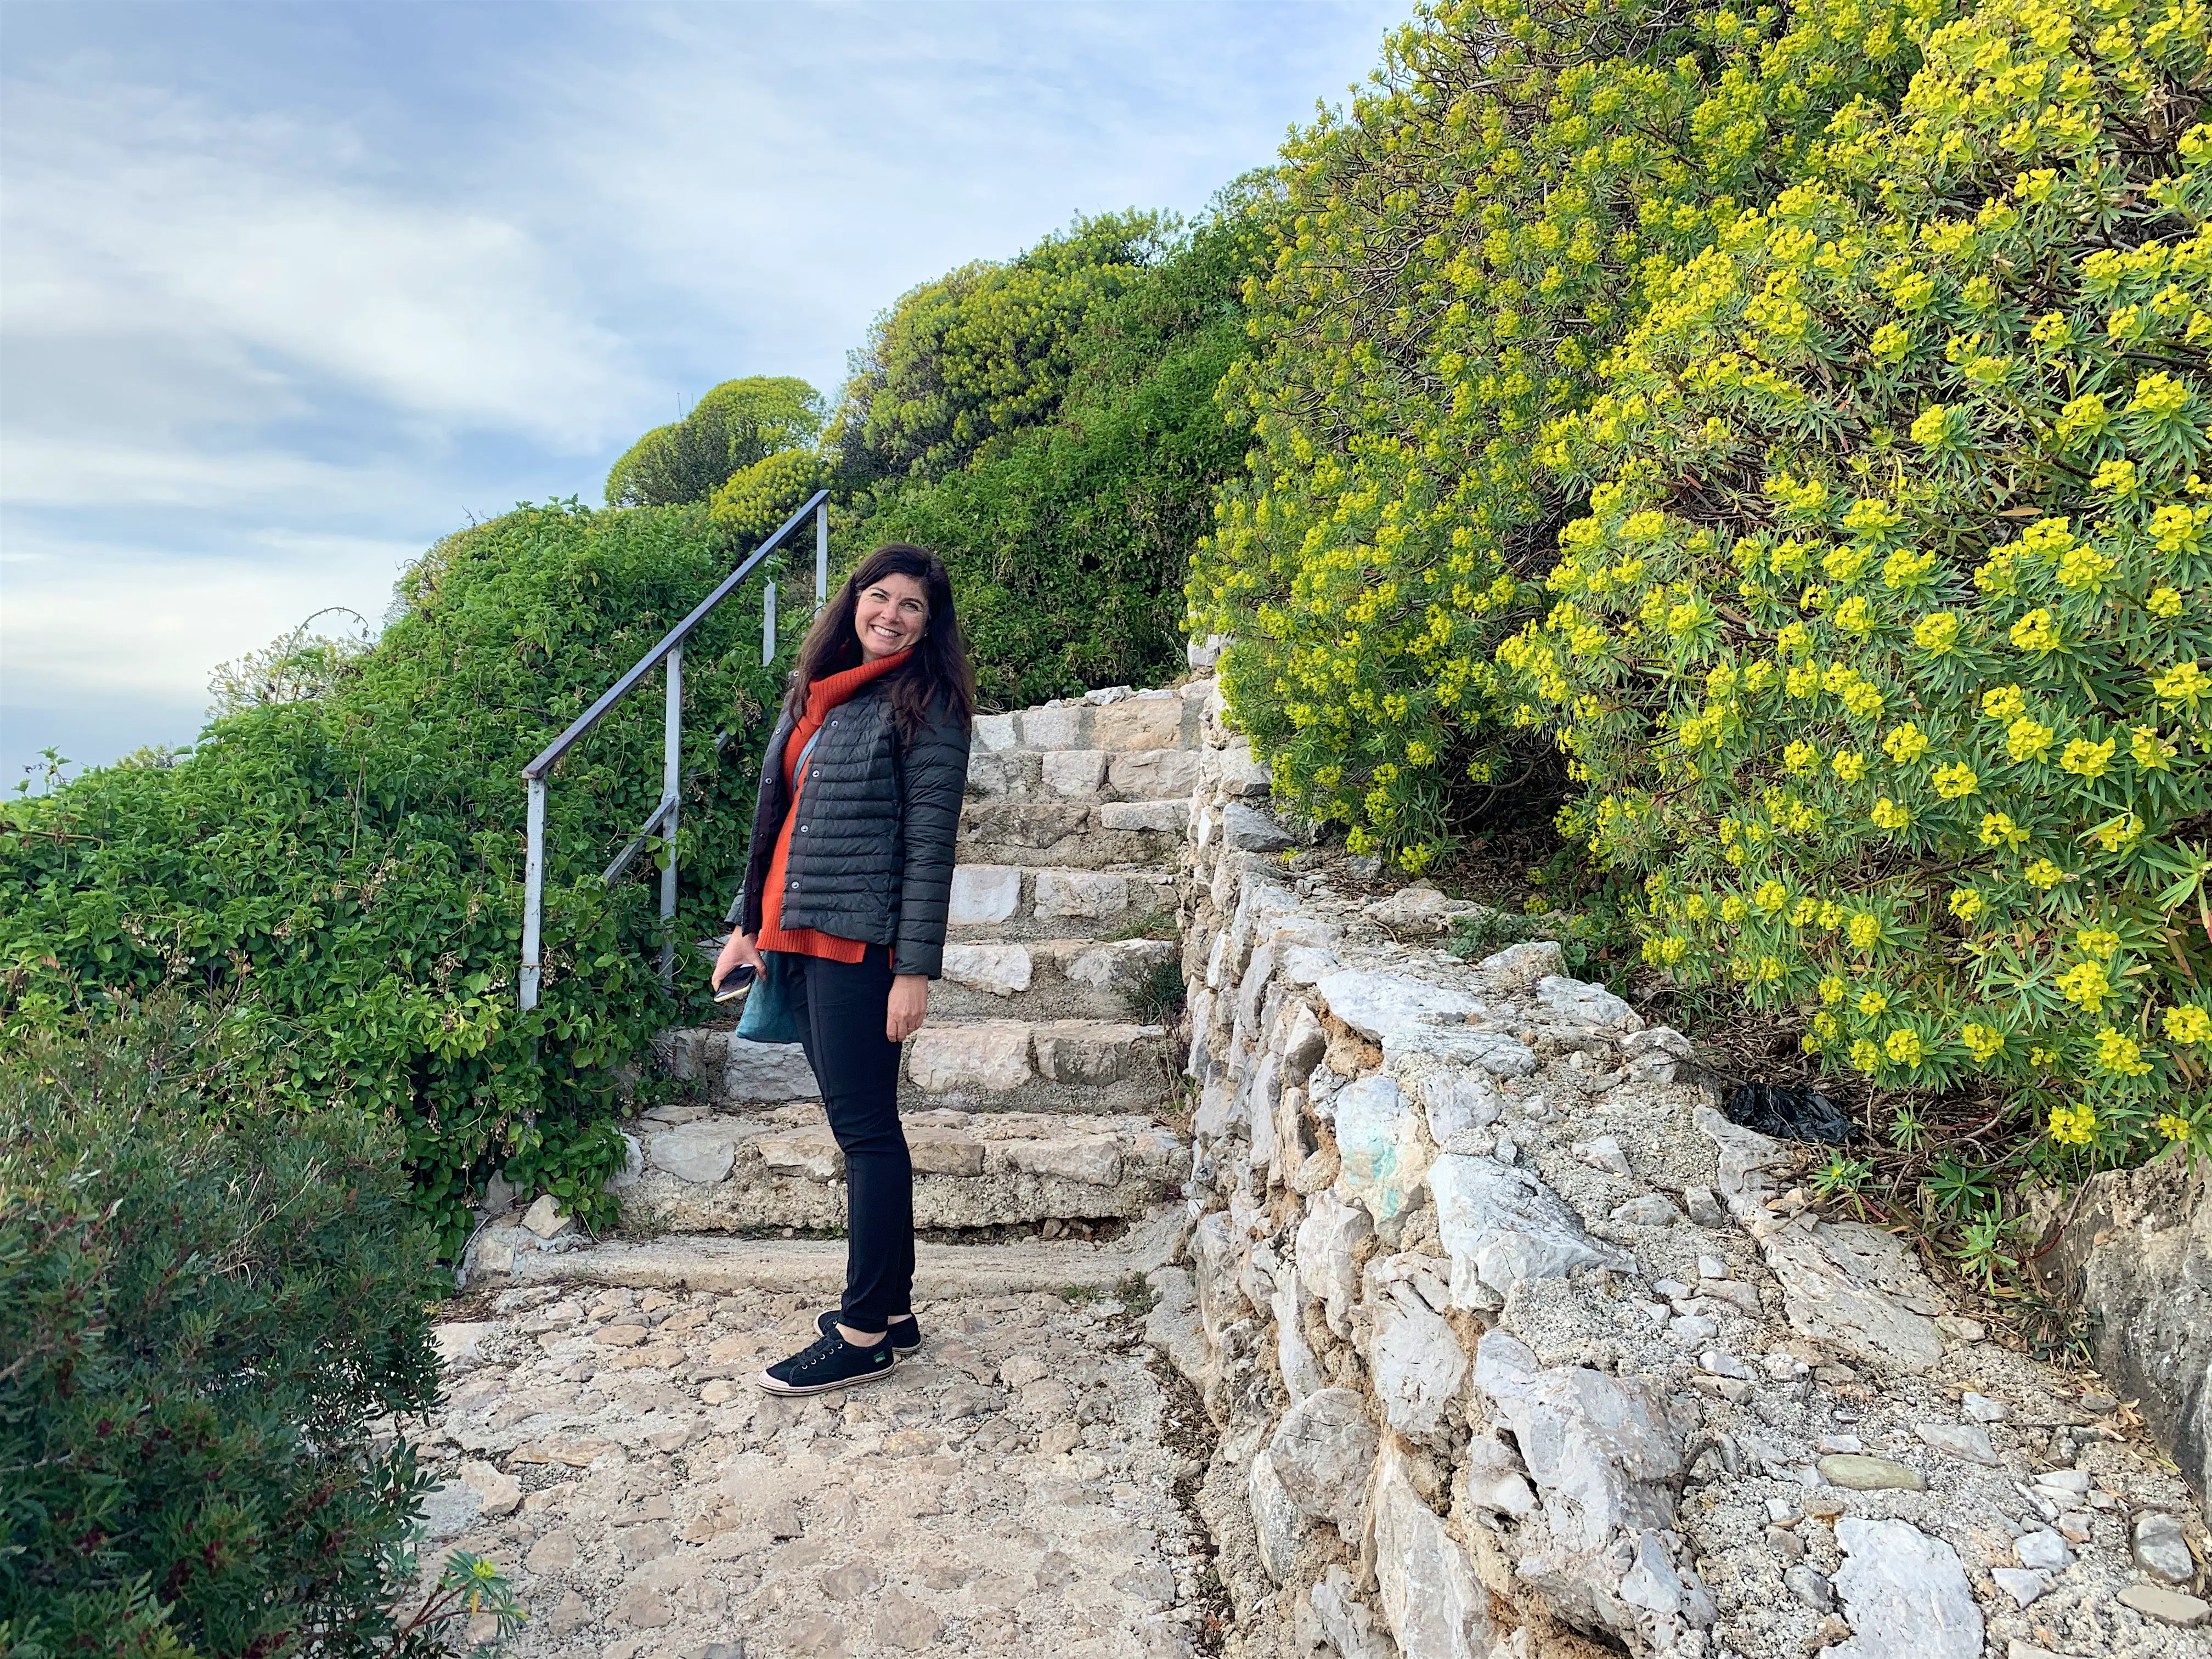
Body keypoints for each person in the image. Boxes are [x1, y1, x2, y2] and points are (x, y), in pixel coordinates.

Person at [712, 543, 974, 1396]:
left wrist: (914, 971)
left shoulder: (927, 704)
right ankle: (893, 1317)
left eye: (912, 607)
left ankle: (861, 1329)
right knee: (862, 1130)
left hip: (863, 948)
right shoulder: (815, 696)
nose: (891, 615)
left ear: (929, 627)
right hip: (795, 933)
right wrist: (746, 925)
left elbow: (930, 847)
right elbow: (775, 819)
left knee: (867, 1134)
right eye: (880, 596)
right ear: (853, 599)